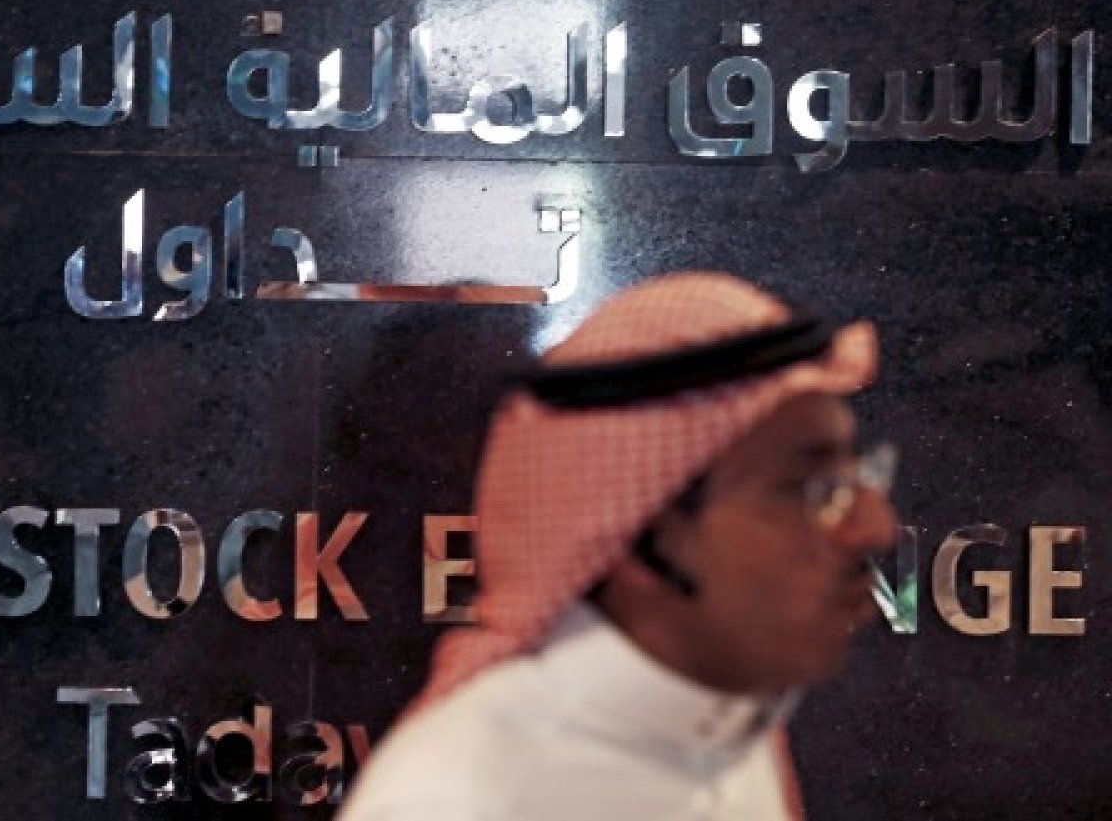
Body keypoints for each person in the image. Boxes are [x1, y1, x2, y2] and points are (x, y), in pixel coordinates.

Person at [338, 272, 898, 821]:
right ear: (645, 537)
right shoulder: (460, 802)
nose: (876, 529)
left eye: (859, 476)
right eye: (812, 490)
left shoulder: (727, 719)